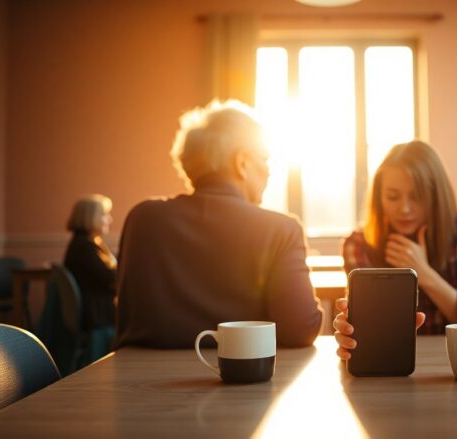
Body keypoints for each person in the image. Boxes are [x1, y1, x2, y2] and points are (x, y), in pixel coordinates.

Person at [114, 100, 322, 349]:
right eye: (265, 158)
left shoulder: (142, 219)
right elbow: (299, 331)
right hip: (239, 380)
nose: (269, 171)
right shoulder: (281, 230)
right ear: (241, 162)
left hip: (134, 384)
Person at [335, 141, 457, 359]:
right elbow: (364, 328)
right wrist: (349, 328)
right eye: (393, 197)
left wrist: (424, 274)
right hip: (388, 361)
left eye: (417, 196)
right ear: (379, 198)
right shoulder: (359, 243)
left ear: (436, 195)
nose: (404, 209)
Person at [64, 194, 118, 333]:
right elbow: (112, 279)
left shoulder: (87, 244)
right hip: (97, 315)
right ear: (90, 217)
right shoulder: (85, 247)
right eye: (105, 215)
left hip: (98, 311)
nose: (110, 219)